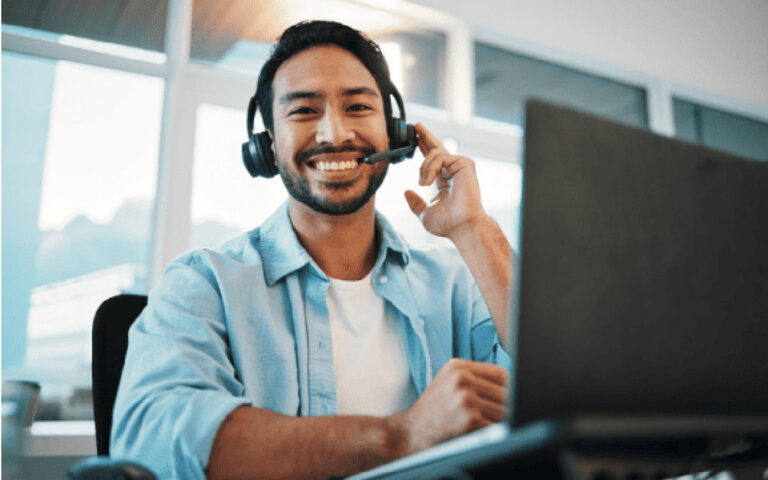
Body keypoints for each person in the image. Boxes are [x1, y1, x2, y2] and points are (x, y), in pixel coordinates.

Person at [111, 20, 514, 480]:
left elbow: (555, 385)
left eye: (358, 106)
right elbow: (155, 440)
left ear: (394, 131)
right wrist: (399, 436)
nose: (333, 134)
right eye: (303, 111)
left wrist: (473, 228)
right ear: (267, 145)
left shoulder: (455, 285)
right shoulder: (205, 284)